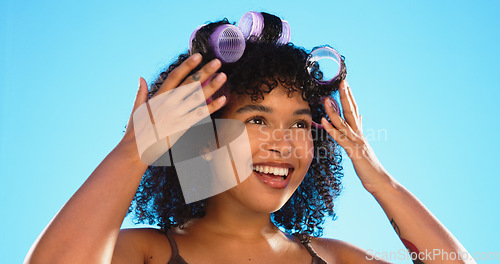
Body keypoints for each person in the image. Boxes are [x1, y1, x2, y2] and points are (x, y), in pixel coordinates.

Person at [25, 12, 475, 264]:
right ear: (202, 139)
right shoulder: (145, 253)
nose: (284, 143)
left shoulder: (338, 261)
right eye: (258, 120)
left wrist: (381, 182)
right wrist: (134, 153)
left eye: (300, 124)